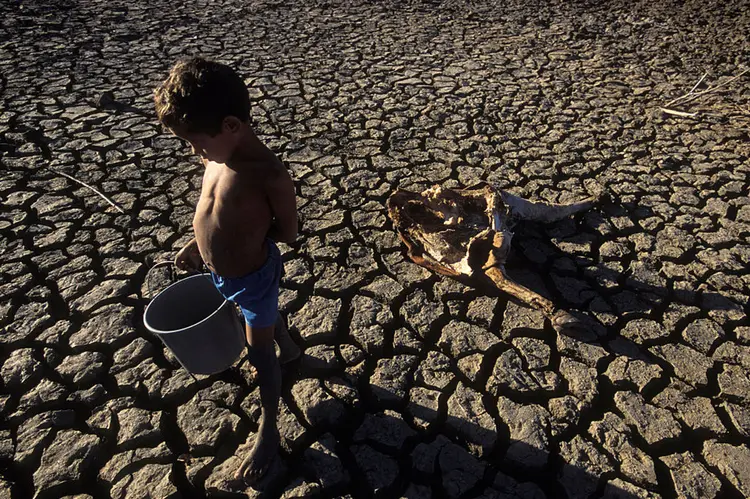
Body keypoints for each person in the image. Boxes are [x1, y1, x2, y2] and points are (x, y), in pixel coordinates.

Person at [154, 57, 300, 485]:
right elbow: (211, 209)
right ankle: (288, 344)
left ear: (232, 125)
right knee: (267, 327)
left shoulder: (269, 174)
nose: (195, 152)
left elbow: (288, 233)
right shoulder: (215, 157)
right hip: (223, 276)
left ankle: (269, 428)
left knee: (259, 354)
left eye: (197, 143)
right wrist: (195, 245)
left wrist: (245, 241)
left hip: (254, 278)